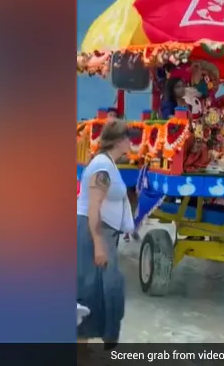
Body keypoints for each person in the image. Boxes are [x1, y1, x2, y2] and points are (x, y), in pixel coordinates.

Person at [77, 119, 135, 350]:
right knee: (90, 294)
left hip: (100, 233)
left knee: (106, 292)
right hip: (92, 232)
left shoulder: (107, 163)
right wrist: (99, 243)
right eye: (129, 138)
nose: (131, 143)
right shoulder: (102, 166)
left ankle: (94, 347)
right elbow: (93, 207)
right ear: (120, 140)